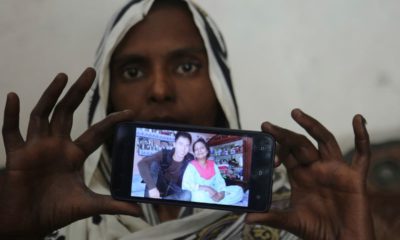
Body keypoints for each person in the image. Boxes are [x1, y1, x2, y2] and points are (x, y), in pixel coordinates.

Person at [0, 0, 375, 239]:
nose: (160, 89)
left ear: (219, 85)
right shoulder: (61, 210)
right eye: (132, 71)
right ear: (108, 91)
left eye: (186, 65)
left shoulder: (290, 209)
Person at [182, 138, 244, 205]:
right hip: (202, 194)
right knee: (198, 197)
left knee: (239, 189)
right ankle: (220, 203)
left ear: (207, 150)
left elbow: (220, 181)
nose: (199, 150)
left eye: (202, 148)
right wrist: (207, 188)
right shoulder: (191, 166)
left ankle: (217, 203)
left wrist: (221, 193)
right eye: (196, 149)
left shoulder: (213, 164)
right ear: (194, 153)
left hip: (215, 192)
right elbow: (186, 184)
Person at [138, 131, 193, 200]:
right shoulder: (164, 154)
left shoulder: (190, 158)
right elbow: (142, 163)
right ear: (174, 144)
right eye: (180, 144)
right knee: (154, 164)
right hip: (159, 184)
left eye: (187, 145)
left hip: (174, 189)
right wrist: (152, 188)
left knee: (187, 194)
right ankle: (147, 201)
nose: (183, 148)